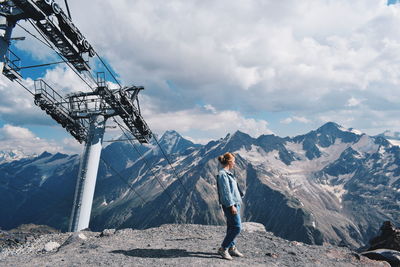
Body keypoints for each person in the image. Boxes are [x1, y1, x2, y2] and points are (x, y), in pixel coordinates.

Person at [216, 152, 244, 260]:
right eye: (234, 161)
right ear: (229, 162)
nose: (235, 164)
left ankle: (231, 247)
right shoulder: (223, 174)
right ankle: (223, 249)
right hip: (230, 205)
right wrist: (231, 205)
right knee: (237, 227)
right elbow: (226, 192)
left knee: (231, 227)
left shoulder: (227, 173)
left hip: (235, 203)